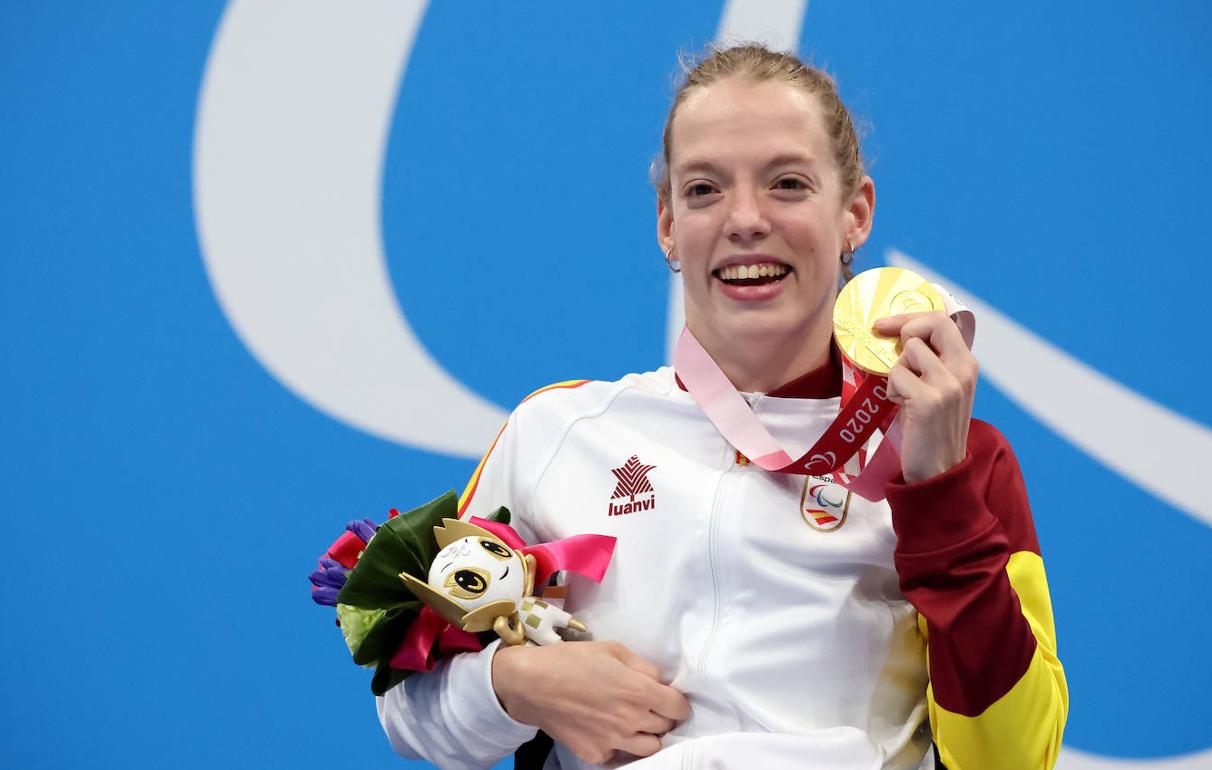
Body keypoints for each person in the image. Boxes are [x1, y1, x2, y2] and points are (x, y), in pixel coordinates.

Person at [377, 44, 1068, 770]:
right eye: (705, 189)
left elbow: (1013, 760)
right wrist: (511, 684)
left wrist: (938, 497)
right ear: (668, 224)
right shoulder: (559, 433)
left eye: (788, 184)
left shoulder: (954, 457)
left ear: (855, 215)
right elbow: (408, 710)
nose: (744, 219)